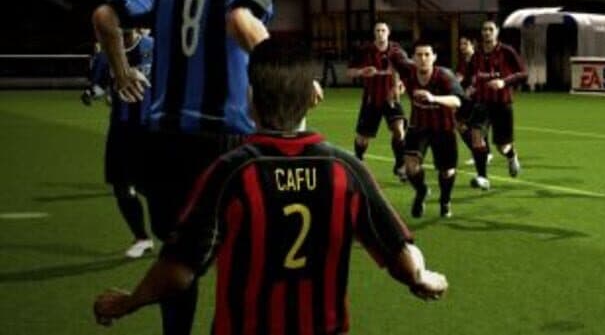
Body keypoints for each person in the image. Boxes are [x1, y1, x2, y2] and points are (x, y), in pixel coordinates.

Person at [93, 38, 447, 334]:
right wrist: (421, 276)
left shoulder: (230, 172)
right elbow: (401, 255)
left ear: (250, 98)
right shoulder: (346, 169)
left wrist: (128, 302)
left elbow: (179, 269)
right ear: (312, 97)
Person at [91, 0, 311, 335]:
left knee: (178, 258)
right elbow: (240, 19)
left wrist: (121, 71)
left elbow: (104, 16)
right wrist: (289, 76)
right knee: (247, 253)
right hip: (225, 143)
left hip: (163, 142)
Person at [82, 29, 155, 258]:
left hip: (150, 127)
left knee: (153, 185)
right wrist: (91, 93)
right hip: (121, 127)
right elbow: (100, 85)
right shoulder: (107, 53)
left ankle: (177, 233)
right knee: (121, 186)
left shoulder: (154, 47)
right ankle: (142, 238)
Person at [390, 39, 463, 218]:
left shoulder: (445, 76)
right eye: (419, 55)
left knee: (447, 171)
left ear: (434, 57)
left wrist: (434, 98)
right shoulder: (407, 70)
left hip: (444, 128)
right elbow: (393, 58)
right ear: (413, 58)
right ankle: (421, 191)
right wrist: (395, 84)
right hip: (418, 126)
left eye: (427, 55)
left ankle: (445, 200)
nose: (423, 59)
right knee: (410, 167)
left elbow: (457, 101)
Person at [466, 21, 527, 185]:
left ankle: (511, 155)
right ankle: (482, 177)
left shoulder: (507, 51)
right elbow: (471, 76)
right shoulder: (476, 55)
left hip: (502, 103)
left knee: (503, 146)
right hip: (482, 103)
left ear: (497, 32)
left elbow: (523, 74)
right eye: (484, 29)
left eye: (490, 29)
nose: (487, 32)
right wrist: (469, 88)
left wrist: (504, 82)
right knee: (476, 135)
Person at [345, 22, 407, 179]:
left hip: (391, 97)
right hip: (372, 98)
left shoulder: (397, 51)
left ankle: (400, 165)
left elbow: (407, 72)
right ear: (374, 33)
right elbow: (349, 72)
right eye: (378, 30)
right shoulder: (365, 51)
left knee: (399, 129)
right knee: (362, 138)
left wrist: (401, 84)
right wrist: (361, 72)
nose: (380, 33)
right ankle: (359, 159)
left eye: (383, 30)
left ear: (389, 33)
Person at [454, 33, 491, 186]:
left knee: (476, 129)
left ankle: (483, 158)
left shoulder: (479, 59)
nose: (462, 47)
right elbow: (459, 77)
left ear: (473, 45)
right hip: (466, 100)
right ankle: (481, 153)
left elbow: (480, 78)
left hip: (480, 100)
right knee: (460, 125)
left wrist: (472, 88)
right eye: (461, 44)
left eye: (465, 43)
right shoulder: (463, 61)